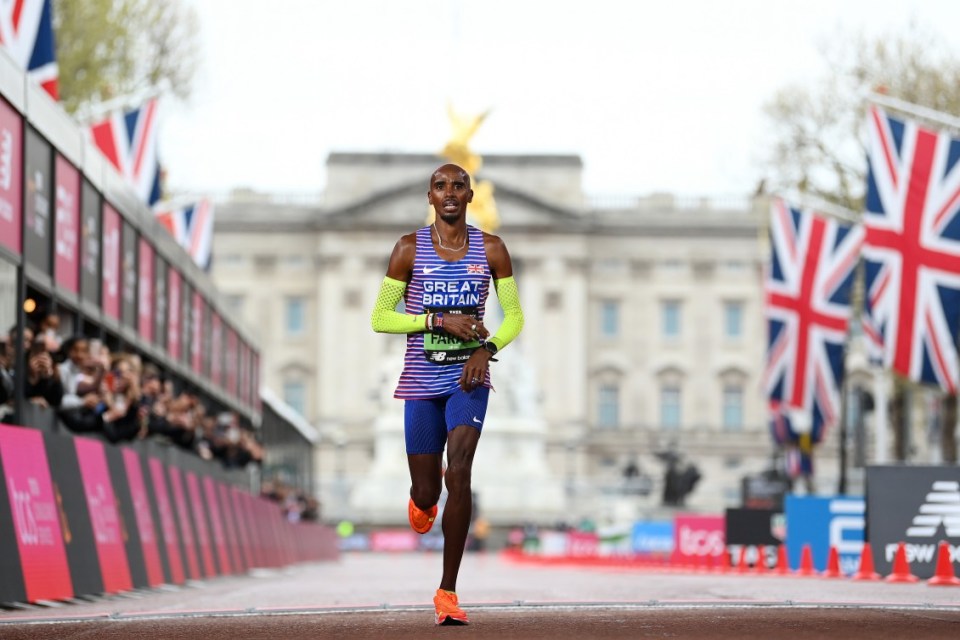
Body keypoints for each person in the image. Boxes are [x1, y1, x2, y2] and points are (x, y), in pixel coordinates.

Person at [371, 163, 525, 625]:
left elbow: (515, 315)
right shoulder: (408, 249)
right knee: (427, 490)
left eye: (458, 186)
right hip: (420, 382)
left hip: (467, 380)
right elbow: (381, 316)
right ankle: (422, 498)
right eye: (441, 187)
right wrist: (437, 321)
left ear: (471, 195)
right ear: (431, 197)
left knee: (460, 473)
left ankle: (447, 592)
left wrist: (488, 347)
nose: (450, 193)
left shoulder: (493, 249)